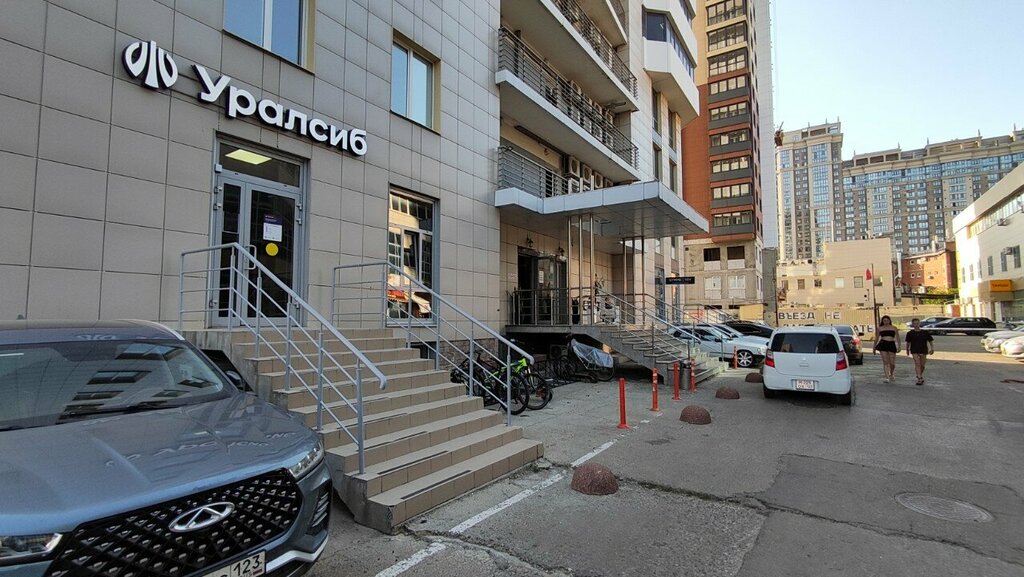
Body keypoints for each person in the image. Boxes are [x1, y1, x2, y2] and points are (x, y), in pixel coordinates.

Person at [905, 318, 935, 385]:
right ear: (912, 324)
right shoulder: (910, 333)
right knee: (917, 363)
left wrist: (932, 348)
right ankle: (919, 378)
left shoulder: (925, 332)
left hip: (923, 350)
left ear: (919, 323)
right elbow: (908, 342)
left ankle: (919, 374)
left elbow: (930, 341)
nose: (916, 325)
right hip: (914, 350)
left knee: (922, 365)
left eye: (917, 323)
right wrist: (907, 349)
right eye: (914, 323)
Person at [872, 315, 900, 383]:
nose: (886, 322)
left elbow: (898, 338)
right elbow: (876, 338)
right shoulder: (880, 328)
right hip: (883, 344)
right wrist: (874, 347)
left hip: (891, 344)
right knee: (885, 361)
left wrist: (899, 346)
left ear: (890, 321)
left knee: (892, 363)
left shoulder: (894, 328)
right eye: (884, 320)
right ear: (882, 321)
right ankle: (887, 377)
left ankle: (891, 373)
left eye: (887, 320)